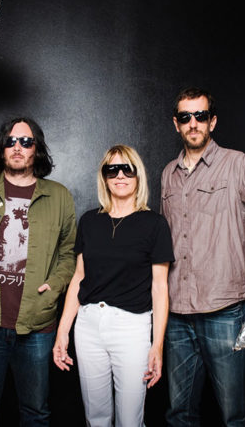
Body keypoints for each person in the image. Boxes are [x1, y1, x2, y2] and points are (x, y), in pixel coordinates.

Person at [161, 87, 245, 427]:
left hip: (224, 311)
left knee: (234, 415)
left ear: (212, 122)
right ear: (176, 124)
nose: (193, 124)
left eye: (200, 116)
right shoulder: (167, 174)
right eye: (185, 117)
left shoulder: (237, 165)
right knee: (178, 413)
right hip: (176, 313)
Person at [0, 116, 77, 426]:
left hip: (37, 324)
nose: (17, 147)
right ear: (2, 149)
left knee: (35, 414)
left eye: (25, 141)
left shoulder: (58, 196)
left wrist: (56, 284)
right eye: (10, 141)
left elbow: (69, 253)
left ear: (37, 149)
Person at [53, 144, 173, 427]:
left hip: (131, 328)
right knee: (95, 418)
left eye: (127, 168)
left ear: (137, 175)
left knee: (130, 421)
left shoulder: (154, 224)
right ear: (104, 177)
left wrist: (157, 346)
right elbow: (79, 278)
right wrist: (62, 332)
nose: (120, 175)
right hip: (89, 325)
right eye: (112, 169)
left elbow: (160, 288)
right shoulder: (89, 221)